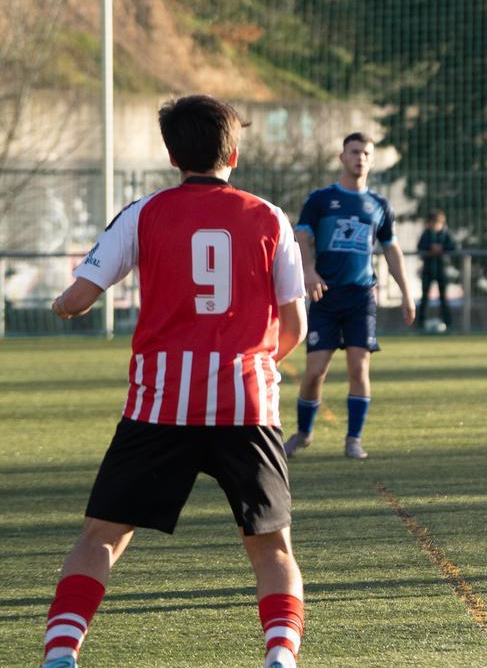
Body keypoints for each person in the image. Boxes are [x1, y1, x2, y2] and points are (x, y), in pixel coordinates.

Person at [42, 95, 308, 668]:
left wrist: (62, 304)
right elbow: (296, 324)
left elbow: (80, 298)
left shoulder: (143, 213)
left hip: (161, 404)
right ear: (232, 154)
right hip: (247, 404)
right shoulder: (268, 216)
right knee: (270, 546)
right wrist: (262, 365)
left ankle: (61, 654)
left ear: (172, 157)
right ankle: (280, 657)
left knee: (101, 537)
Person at [284, 133, 416, 460]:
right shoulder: (321, 199)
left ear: (371, 160)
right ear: (342, 157)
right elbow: (300, 237)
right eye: (354, 152)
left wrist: (406, 293)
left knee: (359, 369)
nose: (360, 158)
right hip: (325, 296)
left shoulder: (379, 205)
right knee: (315, 371)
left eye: (366, 154)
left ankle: (354, 439)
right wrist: (309, 271)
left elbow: (391, 248)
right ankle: (303, 433)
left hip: (361, 297)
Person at [416, 208, 457, 332]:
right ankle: (420, 323)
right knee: (424, 297)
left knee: (443, 297)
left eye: (436, 223)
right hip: (428, 270)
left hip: (441, 269)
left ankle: (448, 323)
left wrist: (441, 248)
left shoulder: (446, 234)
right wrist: (430, 249)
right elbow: (420, 248)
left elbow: (452, 247)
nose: (434, 226)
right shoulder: (426, 234)